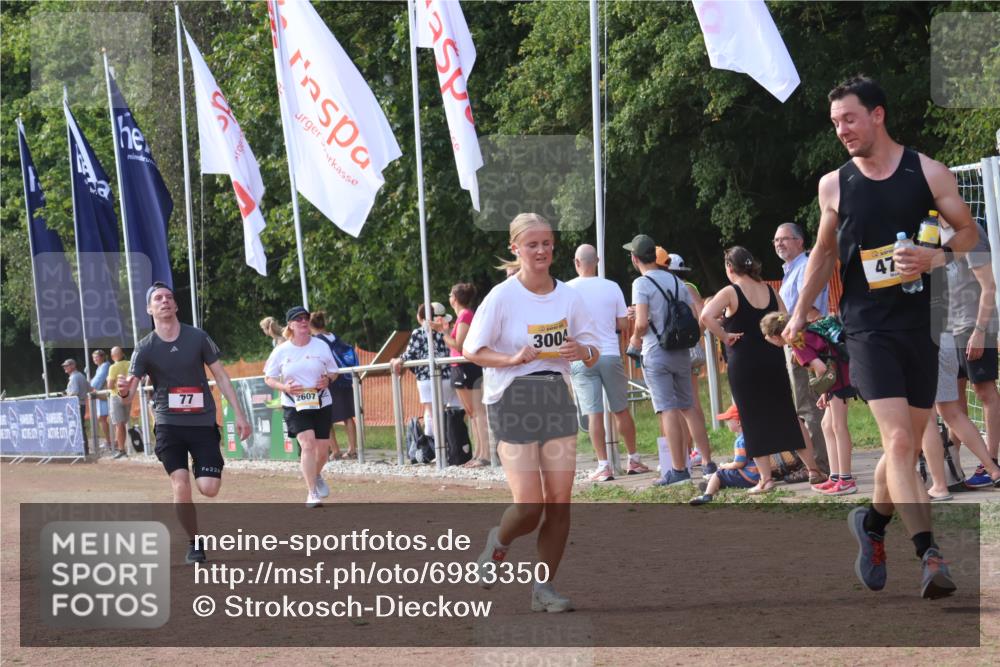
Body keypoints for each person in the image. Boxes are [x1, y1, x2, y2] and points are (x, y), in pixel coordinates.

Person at [783, 75, 978, 598]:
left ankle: (871, 524)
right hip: (866, 325)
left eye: (849, 118)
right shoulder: (835, 184)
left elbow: (970, 233)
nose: (842, 130)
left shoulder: (928, 172)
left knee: (908, 444)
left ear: (878, 115)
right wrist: (800, 312)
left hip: (923, 322)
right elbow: (823, 255)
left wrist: (937, 256)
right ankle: (930, 556)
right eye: (835, 123)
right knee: (897, 442)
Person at [467, 213, 600, 613]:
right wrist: (511, 357)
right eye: (532, 245)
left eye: (546, 243)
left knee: (559, 502)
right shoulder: (502, 296)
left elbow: (595, 351)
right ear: (515, 249)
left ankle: (544, 589)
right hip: (512, 398)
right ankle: (499, 542)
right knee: (530, 504)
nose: (541, 251)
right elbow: (473, 349)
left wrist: (582, 351)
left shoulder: (569, 296)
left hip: (556, 394)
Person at [118, 282, 251, 563]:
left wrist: (239, 414)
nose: (165, 301)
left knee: (209, 488)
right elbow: (129, 395)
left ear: (176, 305)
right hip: (168, 424)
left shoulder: (198, 337)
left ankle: (200, 464)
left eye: (169, 297)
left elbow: (222, 377)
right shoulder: (144, 348)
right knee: (180, 484)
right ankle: (194, 542)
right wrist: (122, 390)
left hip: (202, 423)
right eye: (158, 298)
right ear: (149, 309)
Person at [700, 246, 822, 492]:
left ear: (729, 268)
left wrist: (725, 336)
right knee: (789, 416)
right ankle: (813, 469)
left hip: (744, 362)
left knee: (752, 418)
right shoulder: (769, 290)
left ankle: (765, 479)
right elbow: (785, 318)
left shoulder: (730, 291)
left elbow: (705, 316)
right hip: (773, 359)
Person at [626, 234, 714, 487]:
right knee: (689, 407)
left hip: (656, 351)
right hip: (681, 351)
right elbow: (695, 314)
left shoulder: (641, 284)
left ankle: (678, 470)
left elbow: (642, 322)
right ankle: (708, 462)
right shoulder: (677, 281)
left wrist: (634, 340)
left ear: (634, 258)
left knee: (667, 409)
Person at [566, 243, 649, 481]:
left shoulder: (567, 289)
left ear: (576, 262)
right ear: (598, 261)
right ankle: (633, 459)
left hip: (582, 355)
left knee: (594, 413)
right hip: (610, 352)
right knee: (620, 409)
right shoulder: (611, 287)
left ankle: (603, 465)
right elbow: (623, 325)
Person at [761, 312, 856, 495]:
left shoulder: (797, 344)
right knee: (826, 425)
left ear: (776, 336)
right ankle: (835, 477)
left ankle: (846, 480)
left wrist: (824, 390)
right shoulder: (804, 334)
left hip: (839, 380)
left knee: (838, 427)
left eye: (768, 337)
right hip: (838, 377)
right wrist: (825, 393)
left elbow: (820, 368)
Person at [940, 217, 1000, 487]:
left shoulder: (969, 230)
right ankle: (954, 464)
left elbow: (989, 286)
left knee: (985, 392)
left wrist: (979, 330)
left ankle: (991, 460)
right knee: (953, 398)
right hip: (945, 329)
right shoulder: (929, 233)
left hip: (973, 324)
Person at [264, 306, 340, 507]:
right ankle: (312, 492)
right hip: (294, 403)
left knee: (323, 451)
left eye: (306, 318)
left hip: (321, 401)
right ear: (290, 325)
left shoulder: (321, 346)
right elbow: (269, 378)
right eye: (298, 319)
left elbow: (334, 371)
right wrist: (285, 387)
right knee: (307, 444)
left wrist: (328, 380)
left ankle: (316, 475)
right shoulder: (281, 351)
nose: (303, 322)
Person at [774, 222, 831, 479]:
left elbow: (808, 309)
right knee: (809, 405)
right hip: (799, 339)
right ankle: (818, 462)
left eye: (784, 239)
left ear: (800, 242)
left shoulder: (805, 266)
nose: (779, 243)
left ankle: (820, 466)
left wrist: (798, 341)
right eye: (775, 240)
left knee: (810, 406)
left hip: (804, 340)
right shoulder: (792, 269)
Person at [920, 332, 1000, 499]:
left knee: (929, 414)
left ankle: (941, 484)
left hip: (940, 337)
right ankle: (977, 469)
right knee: (951, 409)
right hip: (944, 338)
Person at [655, 246, 713, 474]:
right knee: (687, 404)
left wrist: (689, 337)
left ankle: (692, 452)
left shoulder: (681, 287)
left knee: (686, 404)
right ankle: (692, 452)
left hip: (678, 349)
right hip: (686, 348)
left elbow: (701, 314)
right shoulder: (687, 286)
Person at [433, 283, 491, 467]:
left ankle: (485, 454)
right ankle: (478, 453)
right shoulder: (461, 317)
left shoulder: (466, 315)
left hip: (467, 367)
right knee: (472, 413)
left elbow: (459, 344)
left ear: (455, 298)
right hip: (459, 367)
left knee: (477, 412)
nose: (449, 297)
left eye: (450, 294)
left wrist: (442, 333)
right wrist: (445, 330)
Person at [391, 302, 456, 446]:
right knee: (442, 413)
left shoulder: (418, 332)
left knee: (432, 414)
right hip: (446, 376)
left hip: (426, 378)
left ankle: (437, 448)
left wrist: (398, 360)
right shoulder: (446, 332)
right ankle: (446, 445)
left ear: (420, 317)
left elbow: (410, 353)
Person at [310, 310, 358, 460]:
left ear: (311, 326)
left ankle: (335, 450)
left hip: (329, 380)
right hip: (344, 378)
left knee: (326, 416)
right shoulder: (335, 337)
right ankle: (352, 449)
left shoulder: (317, 341)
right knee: (348, 416)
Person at [689, 405, 759, 505]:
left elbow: (739, 464)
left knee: (719, 474)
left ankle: (707, 495)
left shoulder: (740, 441)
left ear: (738, 422)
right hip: (759, 476)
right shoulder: (753, 436)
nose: (727, 423)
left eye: (728, 420)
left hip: (748, 477)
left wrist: (725, 466)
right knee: (725, 475)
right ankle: (714, 485)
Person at [106, 346, 132, 459]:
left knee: (119, 424)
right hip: (128, 395)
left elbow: (110, 385)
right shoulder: (130, 363)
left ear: (112, 356)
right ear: (122, 354)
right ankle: (123, 449)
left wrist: (108, 380)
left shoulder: (113, 367)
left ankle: (121, 449)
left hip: (116, 396)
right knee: (122, 424)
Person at [62, 358, 92, 452]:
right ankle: (84, 449)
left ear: (73, 366)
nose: (65, 367)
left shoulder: (74, 377)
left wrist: (66, 395)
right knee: (80, 426)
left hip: (76, 405)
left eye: (67, 365)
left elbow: (75, 392)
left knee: (77, 427)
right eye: (64, 366)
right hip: (81, 404)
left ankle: (81, 449)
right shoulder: (81, 375)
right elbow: (90, 388)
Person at [89, 349, 111, 451]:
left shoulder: (105, 366)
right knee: (102, 418)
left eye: (96, 357)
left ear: (102, 357)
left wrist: (89, 386)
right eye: (93, 358)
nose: (94, 359)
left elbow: (97, 381)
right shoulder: (100, 367)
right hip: (101, 395)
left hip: (104, 395)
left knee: (103, 418)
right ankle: (109, 441)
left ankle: (109, 441)